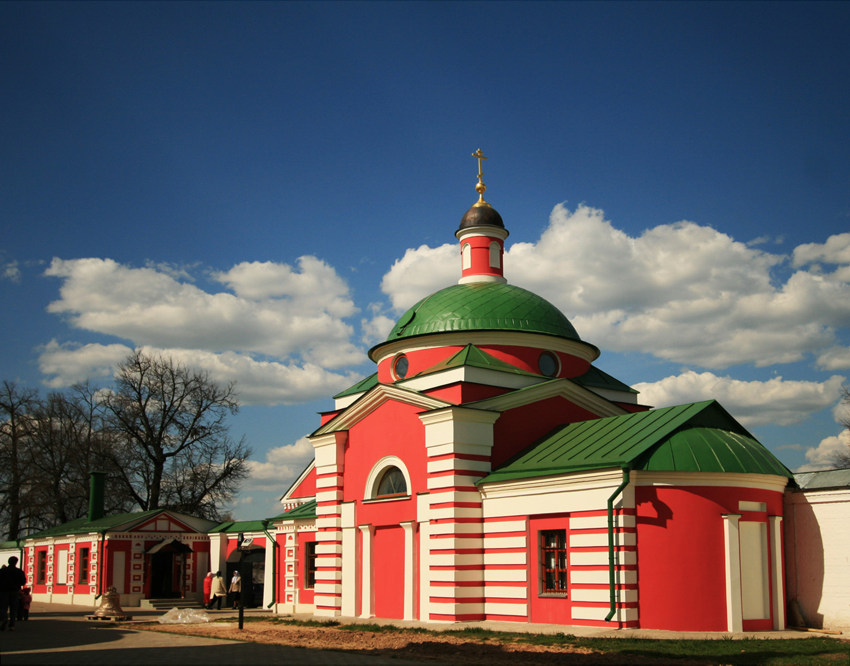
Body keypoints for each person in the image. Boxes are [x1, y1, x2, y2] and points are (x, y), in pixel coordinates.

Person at [0, 556, 27, 631]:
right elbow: (23, 582)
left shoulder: (2, 571)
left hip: (3, 591)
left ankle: (3, 619)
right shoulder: (19, 571)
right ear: (16, 562)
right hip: (15, 591)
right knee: (13, 608)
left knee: (3, 607)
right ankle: (12, 625)